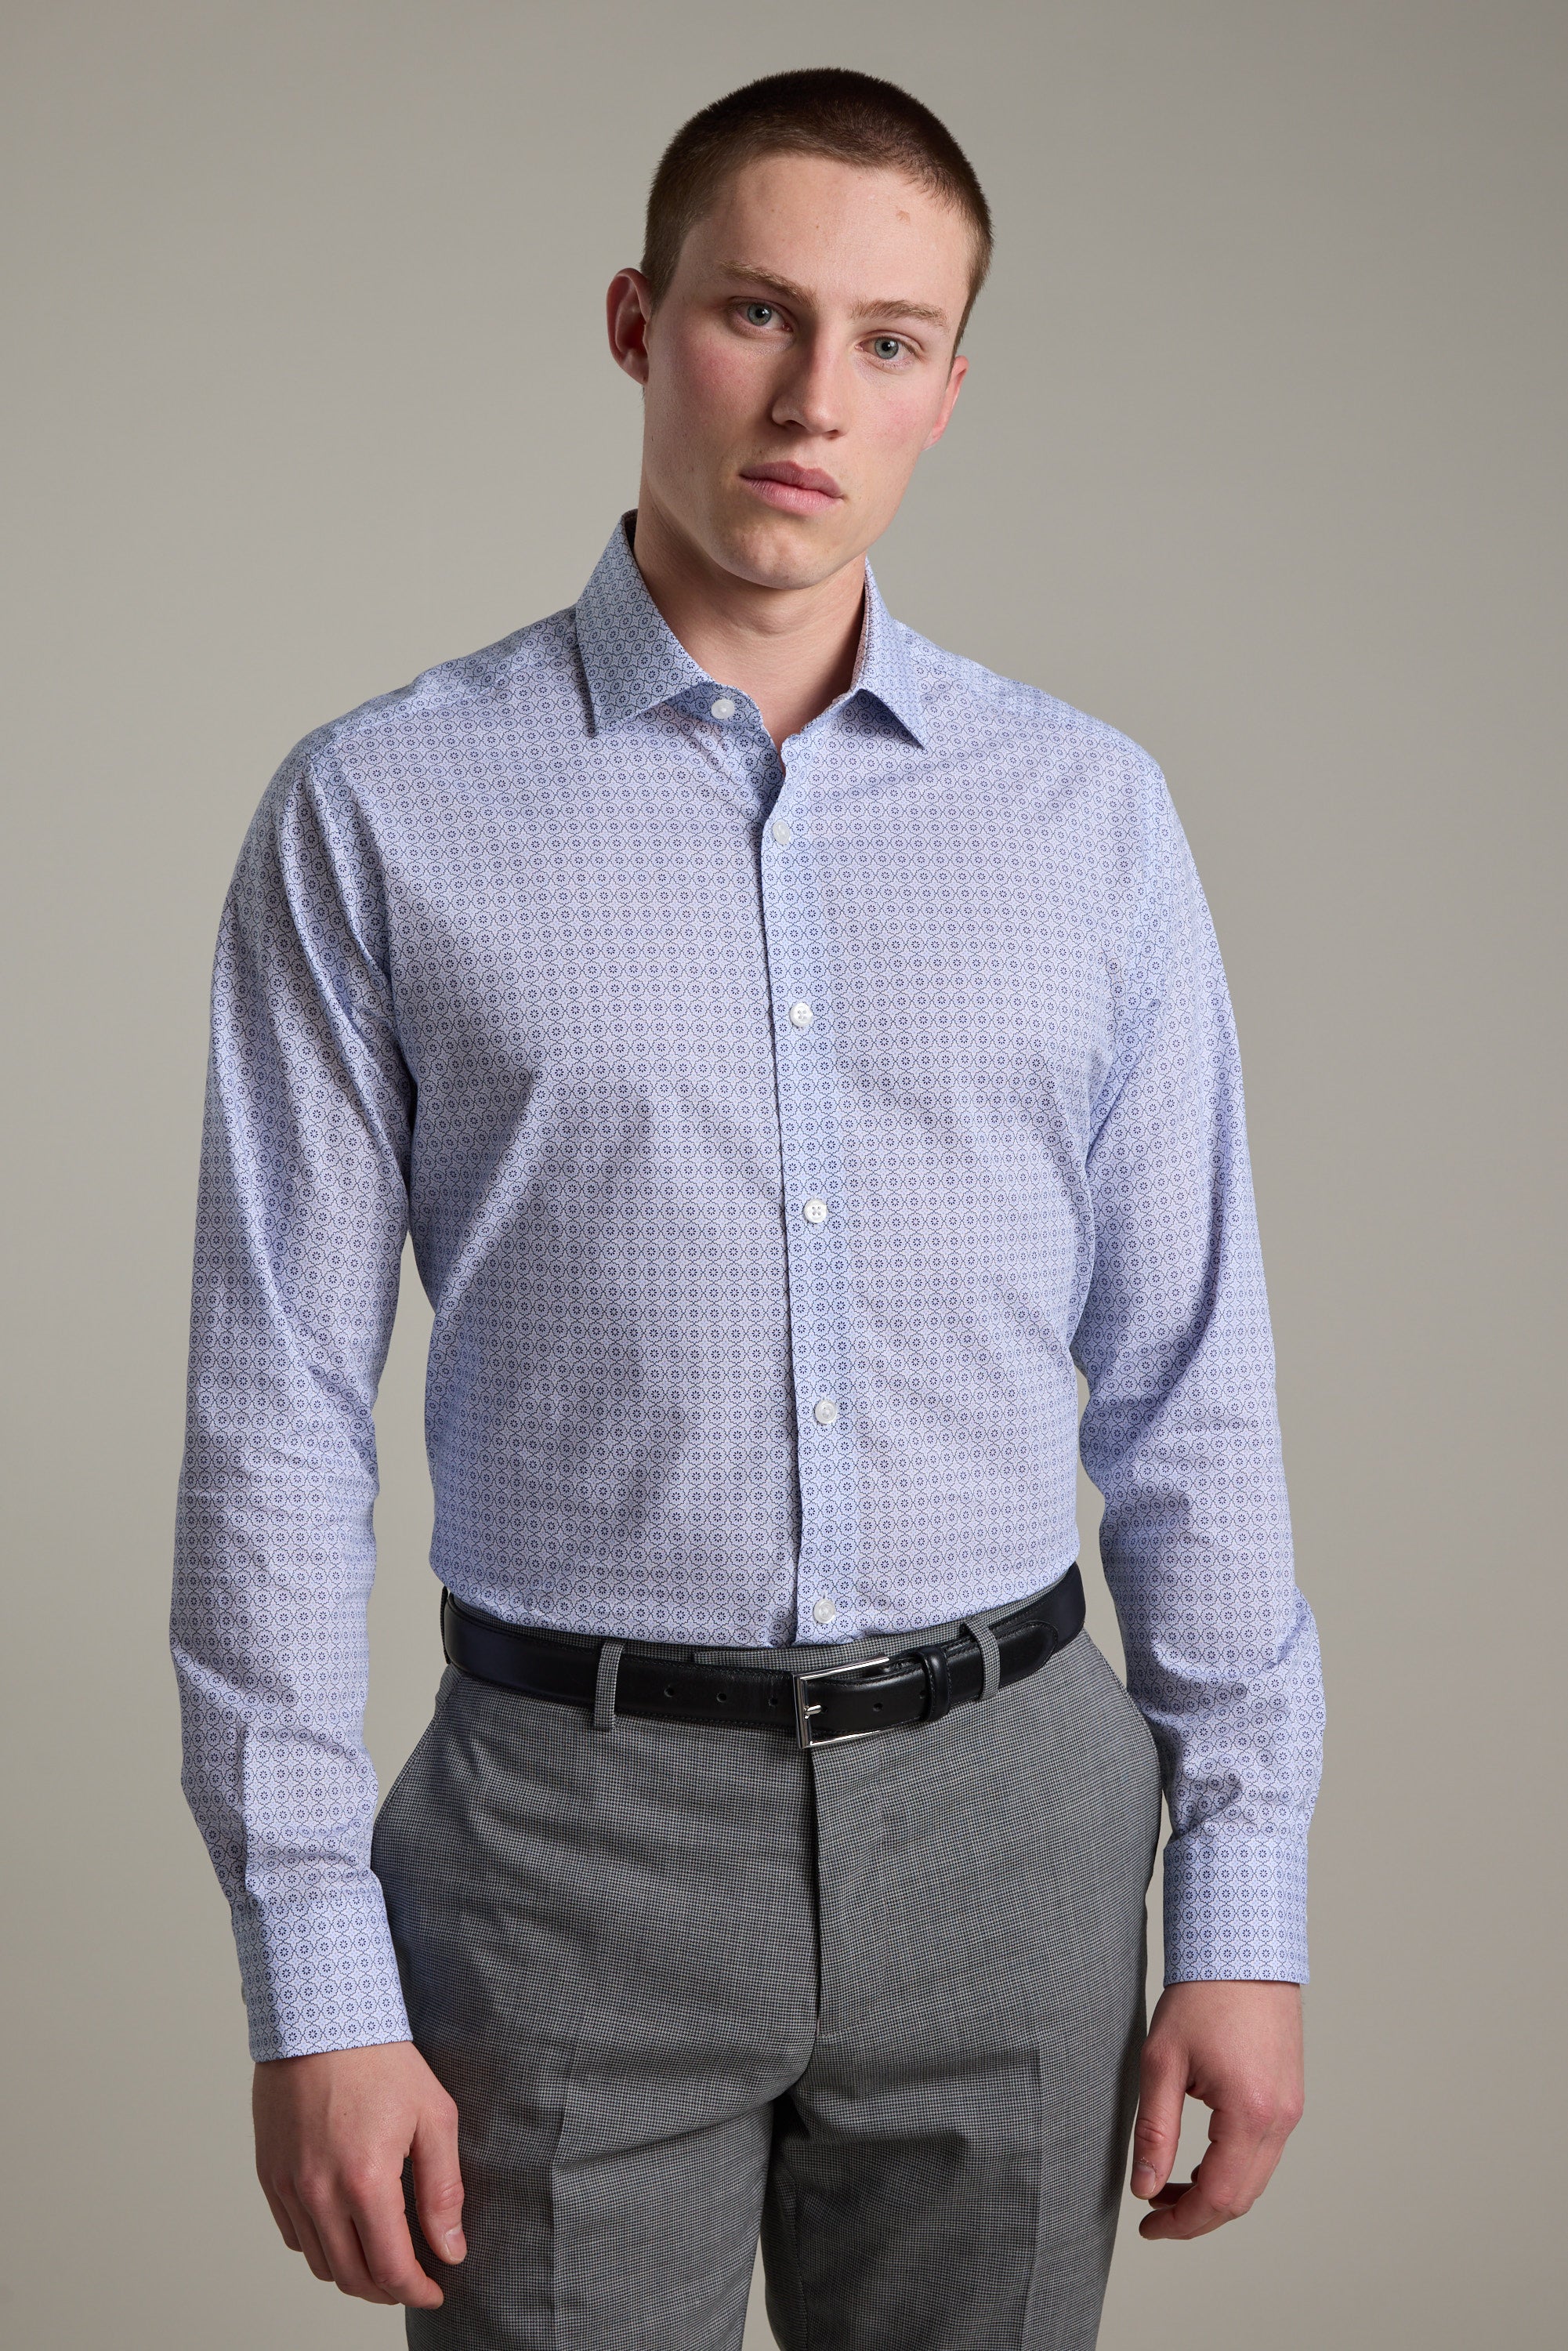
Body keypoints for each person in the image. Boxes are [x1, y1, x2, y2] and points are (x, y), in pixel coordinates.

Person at [172, 66, 1324, 2351]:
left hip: (1016, 1828)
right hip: (561, 1851)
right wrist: (311, 1967)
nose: (813, 398)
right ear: (636, 319)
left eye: (889, 340)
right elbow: (274, 1416)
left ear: (949, 387)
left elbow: (1186, 1376)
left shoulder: (1086, 820)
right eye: (755, 315)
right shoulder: (379, 812)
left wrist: (1244, 1910)